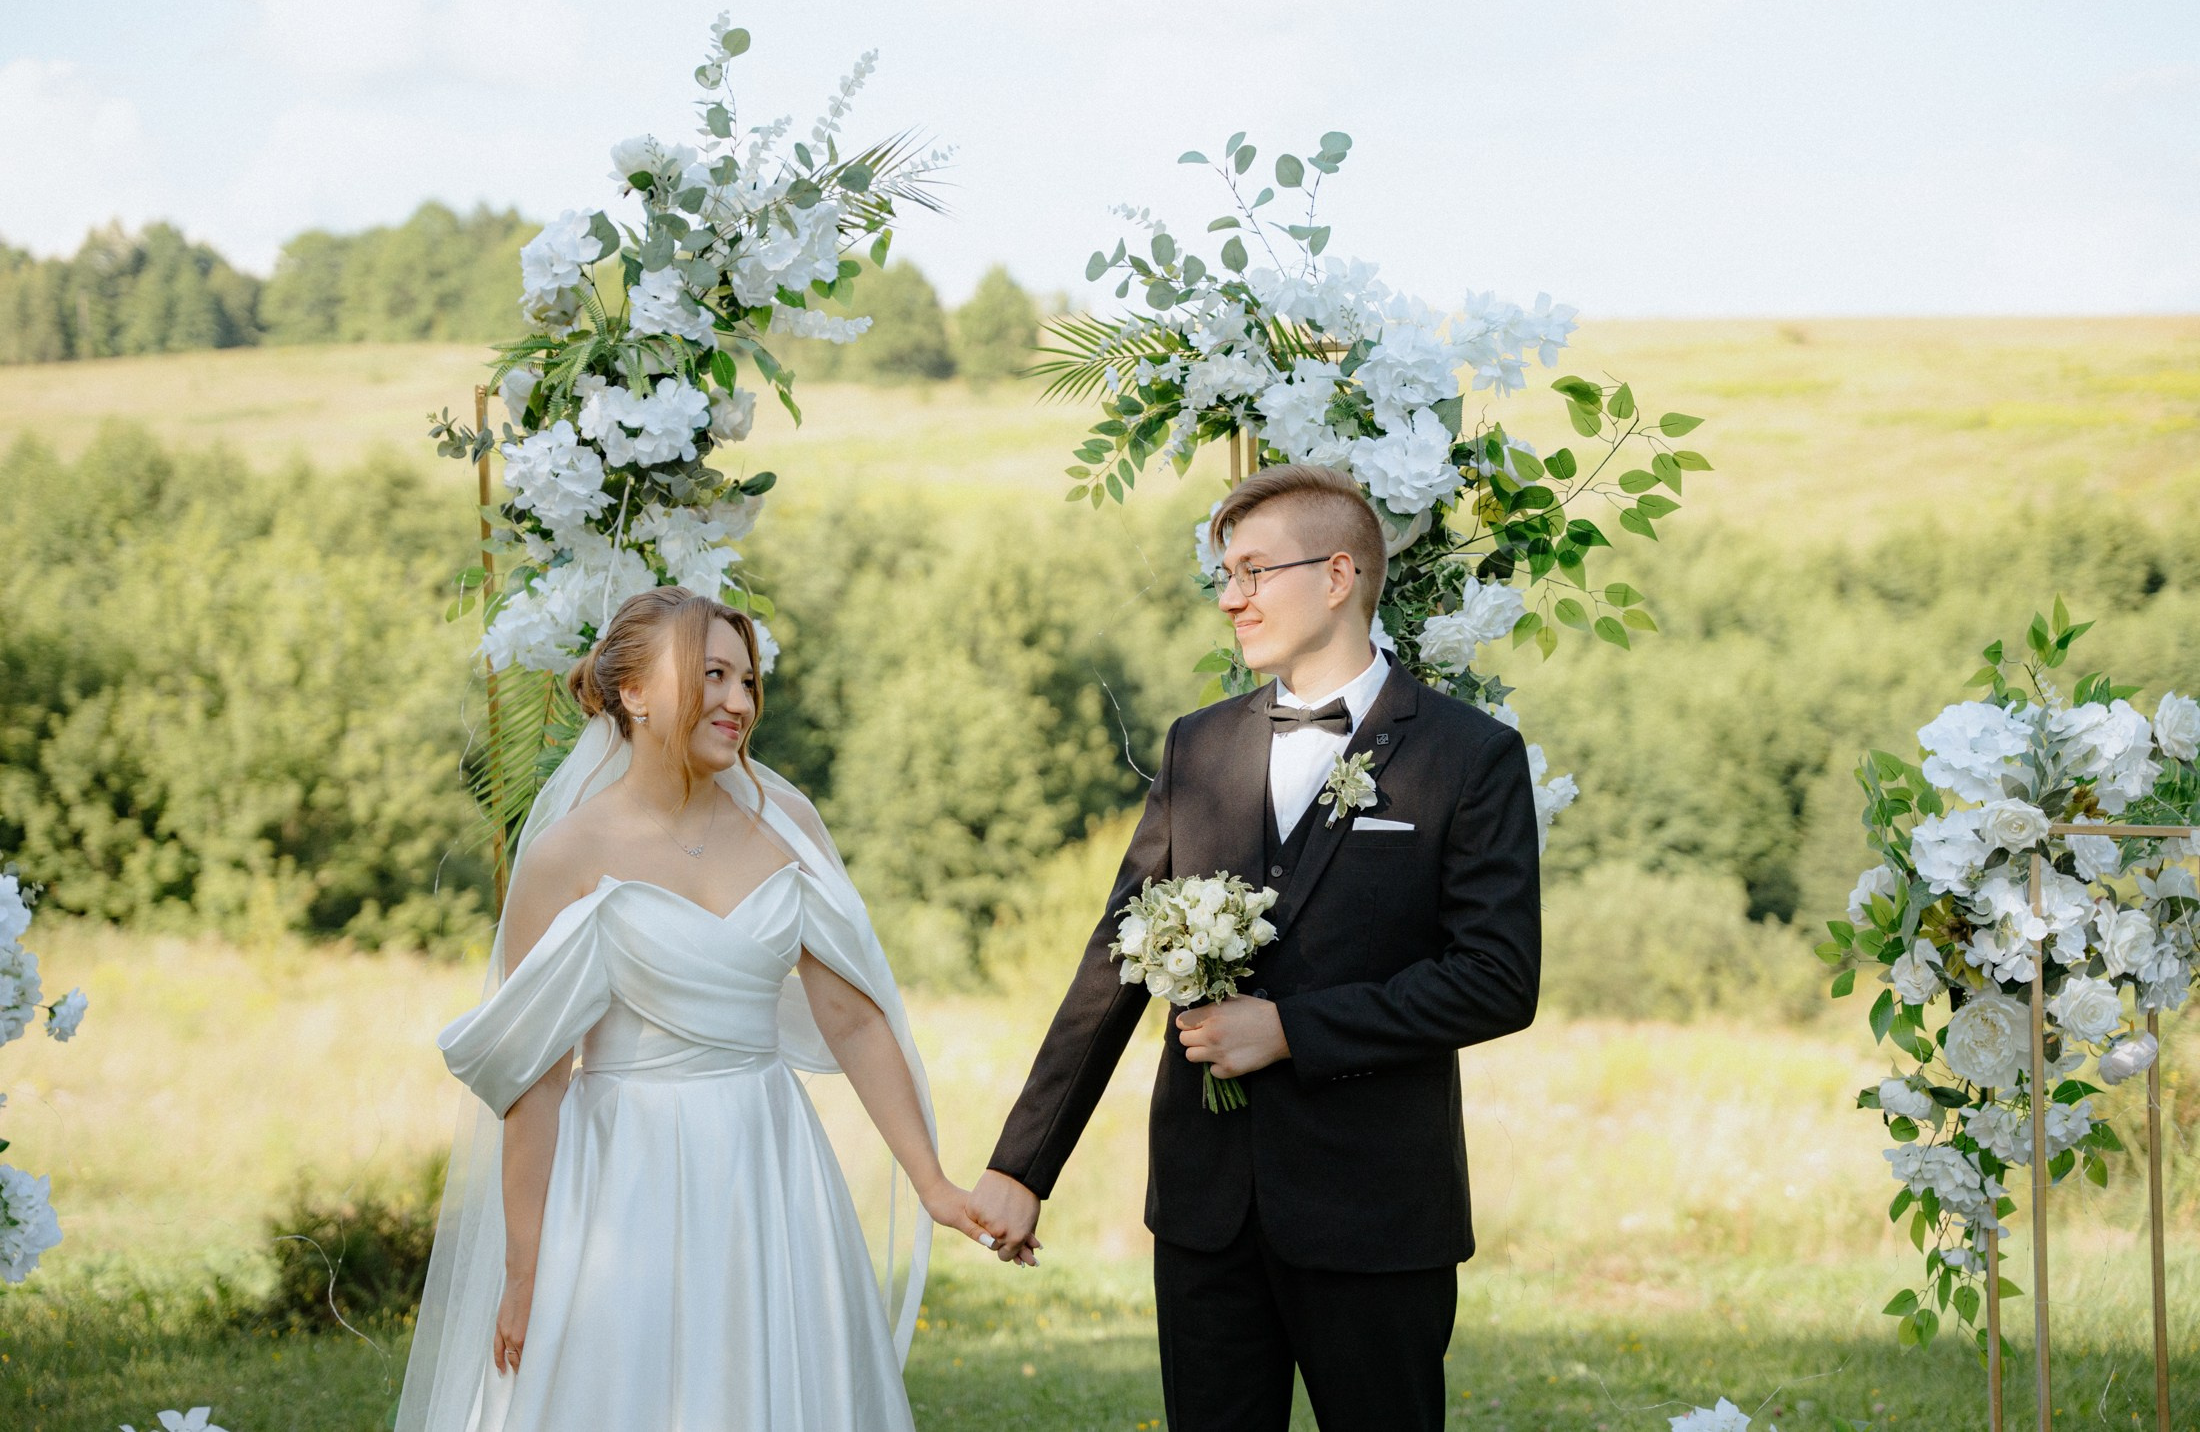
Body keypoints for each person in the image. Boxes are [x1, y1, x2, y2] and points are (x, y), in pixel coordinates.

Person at [969, 464, 1543, 1432]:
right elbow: (1116, 959)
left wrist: (1291, 1030)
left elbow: (1496, 981)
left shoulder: (1466, 754)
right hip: (1204, 1207)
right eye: (1221, 576)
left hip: (1377, 1211)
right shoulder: (1197, 746)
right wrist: (1023, 1167)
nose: (1229, 598)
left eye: (1250, 571)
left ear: (1336, 575)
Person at [397, 586, 986, 1432]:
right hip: (623, 1180)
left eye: (748, 682)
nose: (739, 703)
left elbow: (854, 1019)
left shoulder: (789, 822)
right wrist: (524, 1268)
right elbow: (538, 1082)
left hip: (768, 1164)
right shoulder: (569, 856)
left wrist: (932, 1181)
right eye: (713, 675)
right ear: (633, 692)